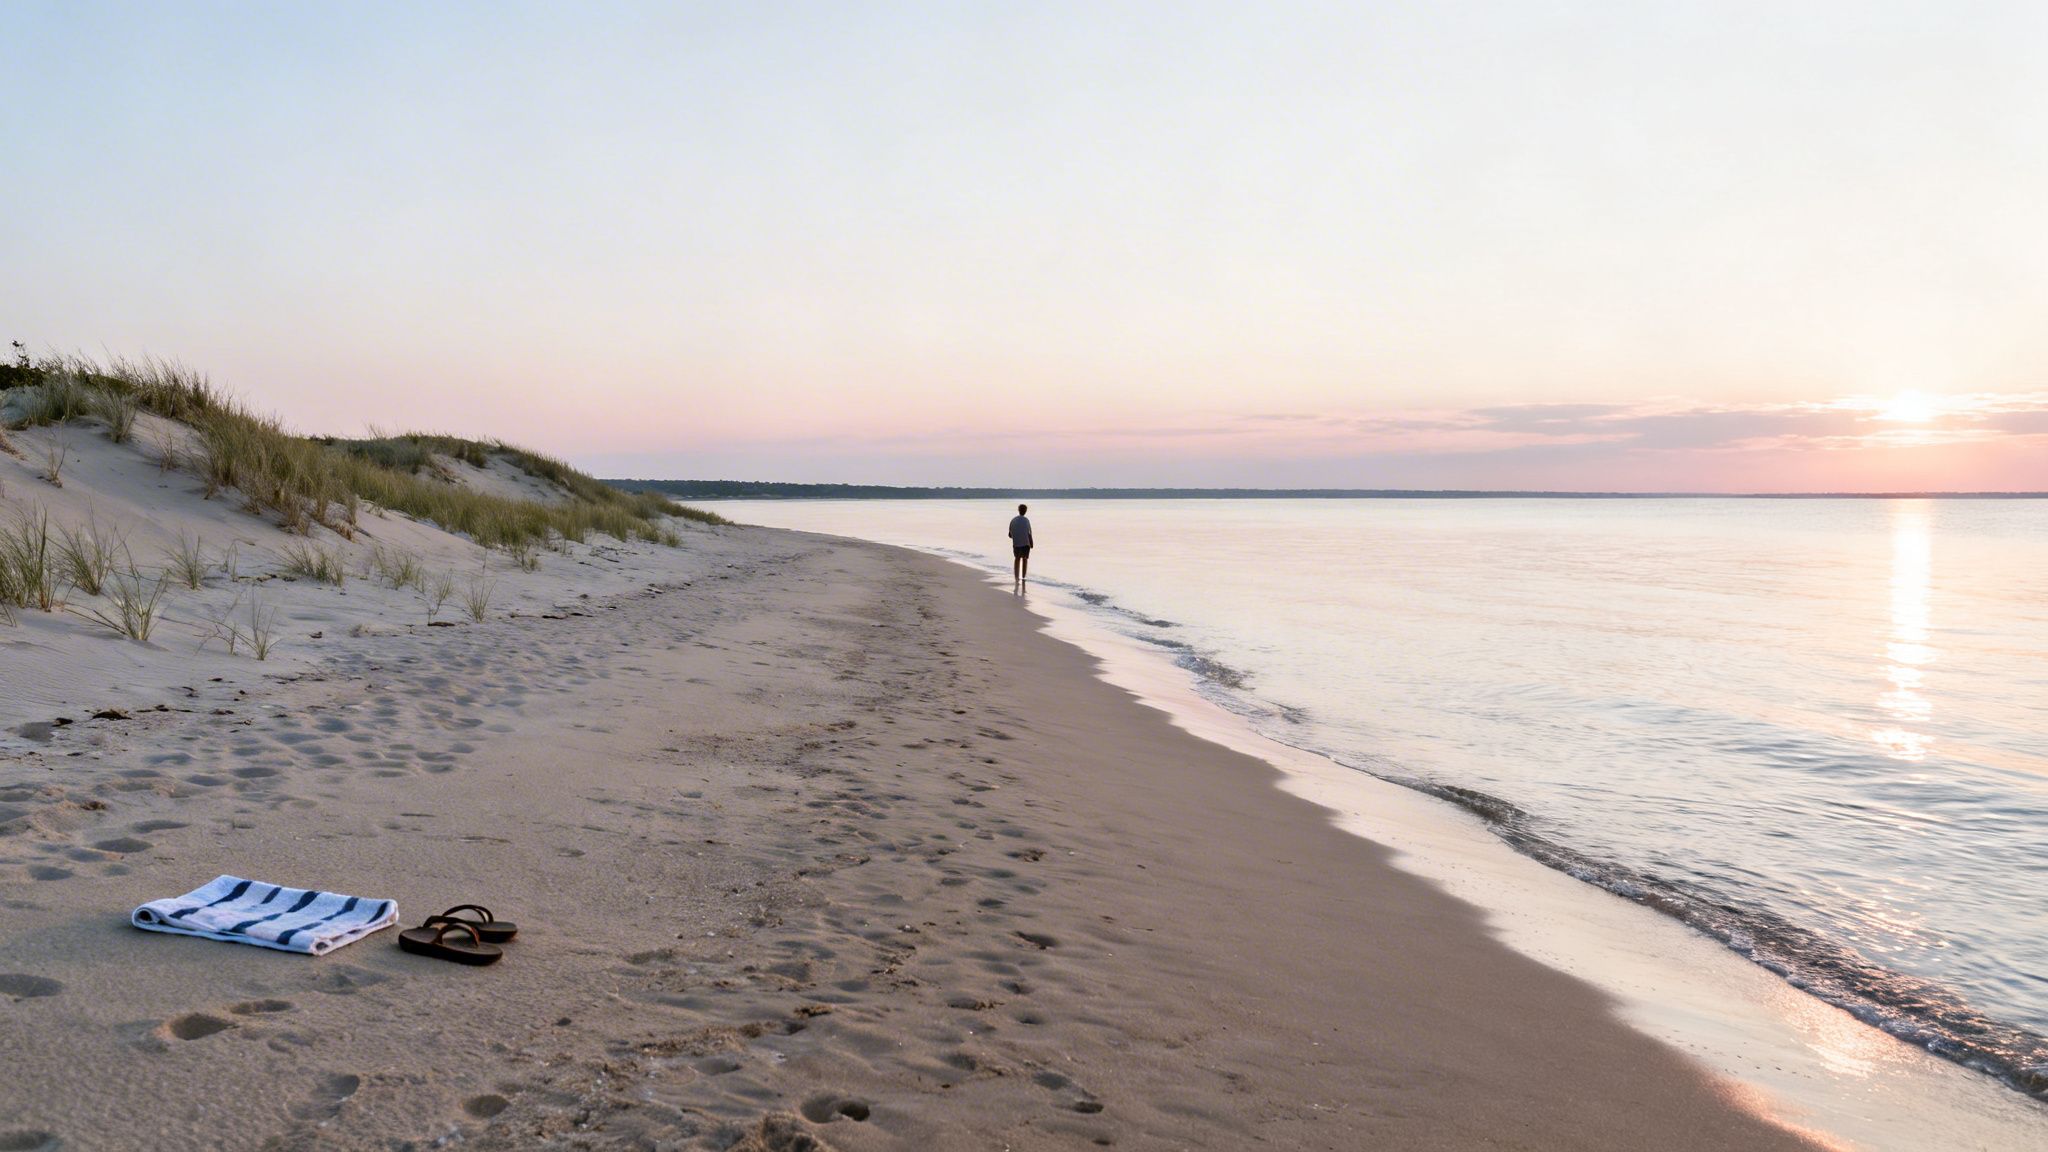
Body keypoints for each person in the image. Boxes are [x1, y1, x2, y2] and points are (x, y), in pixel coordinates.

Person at [1007, 503, 1033, 584]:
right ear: (1025, 511)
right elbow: (1029, 533)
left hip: (1016, 543)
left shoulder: (1013, 520)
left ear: (1019, 510)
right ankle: (1024, 577)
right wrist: (1031, 542)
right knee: (1025, 559)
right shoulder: (1026, 520)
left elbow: (1010, 534)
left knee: (1017, 559)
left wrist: (1016, 536)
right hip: (1026, 543)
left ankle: (1016, 577)